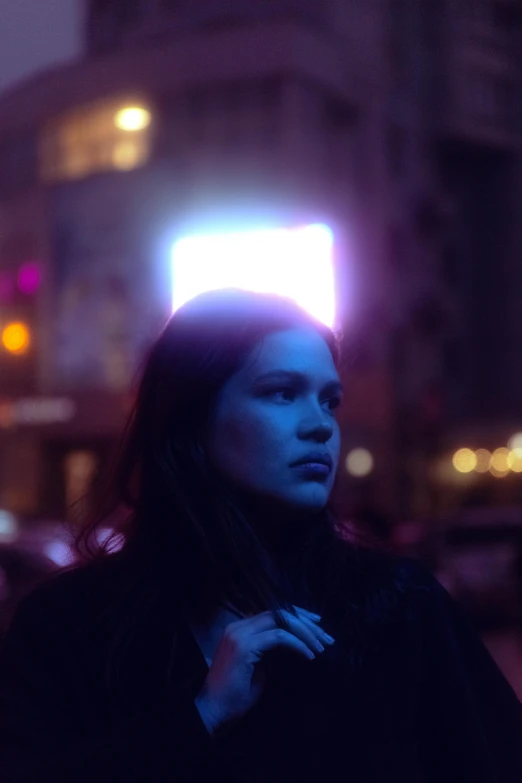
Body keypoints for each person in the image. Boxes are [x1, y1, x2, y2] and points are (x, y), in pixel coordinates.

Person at [0, 288, 521, 783]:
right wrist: (200, 715)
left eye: (329, 400)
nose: (320, 425)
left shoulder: (398, 607)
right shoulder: (69, 625)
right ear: (190, 418)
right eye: (282, 393)